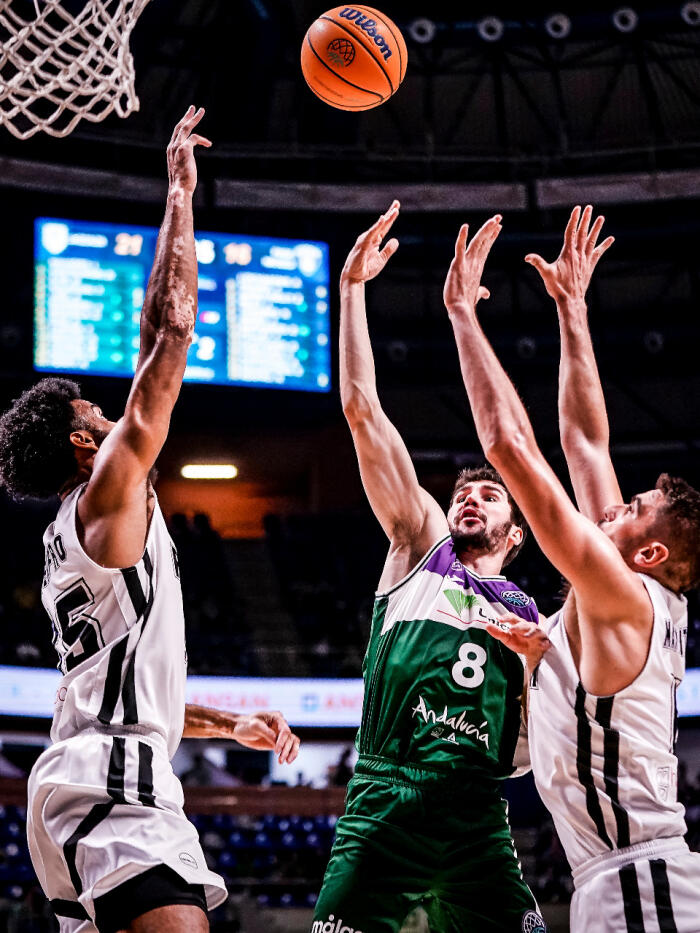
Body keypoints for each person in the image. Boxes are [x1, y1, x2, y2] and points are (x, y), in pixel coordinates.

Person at [0, 107, 300, 933]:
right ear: (80, 439)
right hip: (115, 781)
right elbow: (168, 330)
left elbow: (123, 685)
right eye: (100, 409)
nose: (115, 410)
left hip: (87, 773)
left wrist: (222, 721)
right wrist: (178, 194)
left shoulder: (80, 525)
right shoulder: (106, 493)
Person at [442, 205, 700, 933]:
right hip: (622, 875)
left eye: (635, 508)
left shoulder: (622, 593)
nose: (617, 505)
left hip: (641, 877)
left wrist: (463, 315)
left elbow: (510, 448)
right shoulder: (631, 589)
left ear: (649, 553)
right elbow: (586, 438)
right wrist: (572, 308)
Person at [312, 202, 549, 933]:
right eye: (463, 493)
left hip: (478, 814)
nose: (470, 498)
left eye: (489, 494)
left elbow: (535, 755)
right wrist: (351, 291)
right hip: (387, 800)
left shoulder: (535, 619)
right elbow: (361, 407)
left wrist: (541, 666)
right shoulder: (422, 543)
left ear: (517, 529)